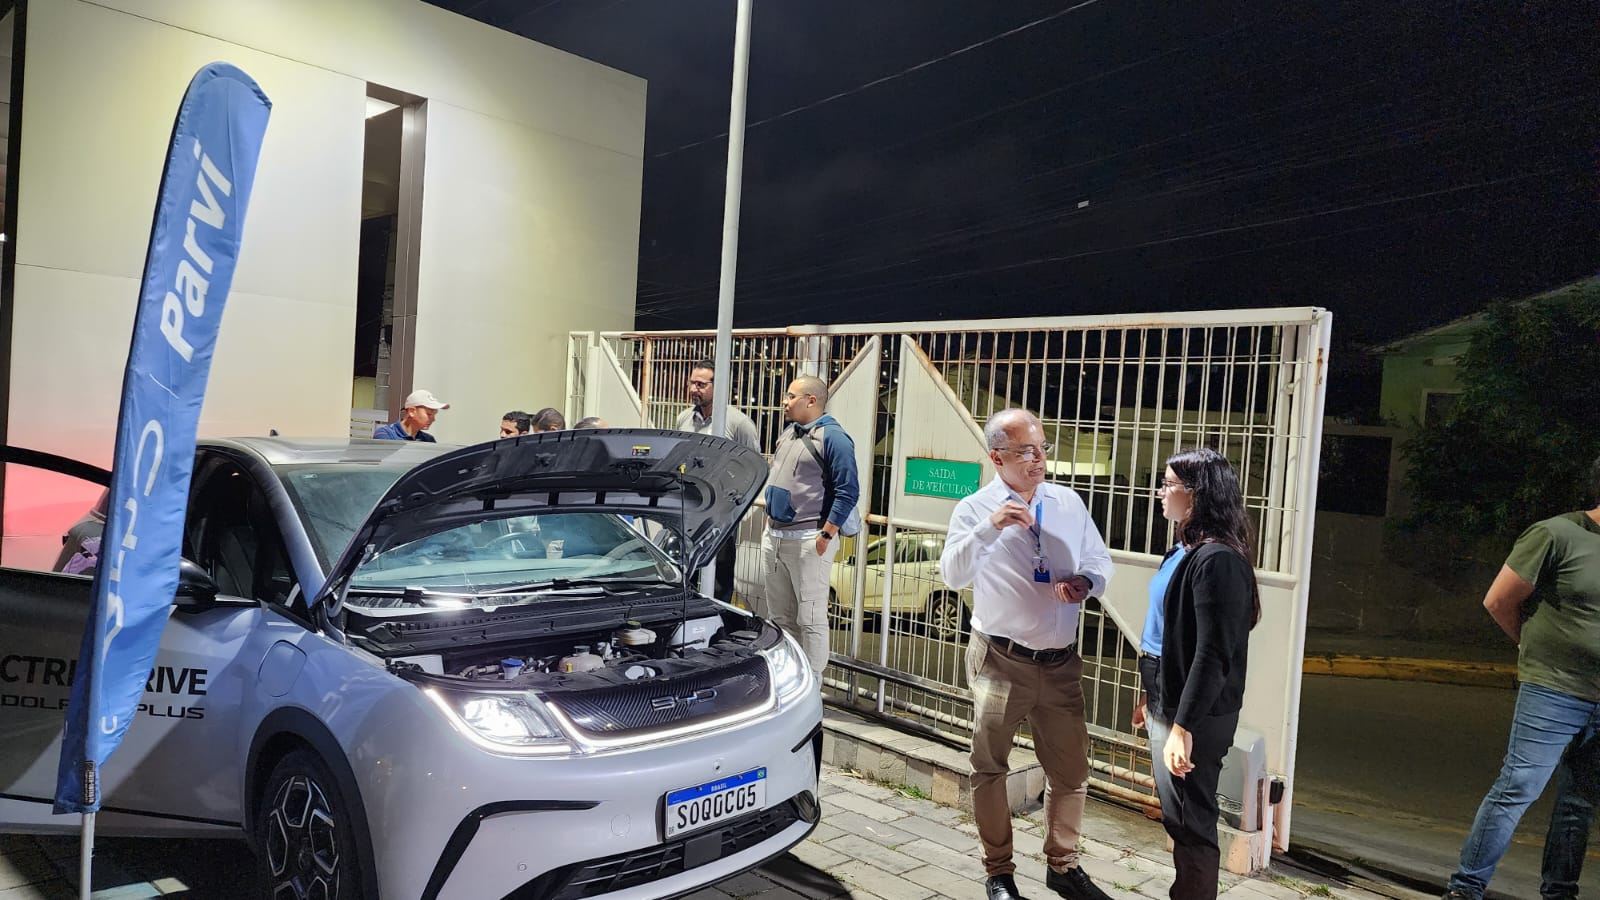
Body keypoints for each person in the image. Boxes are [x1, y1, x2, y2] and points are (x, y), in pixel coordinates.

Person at [940, 408, 1115, 900]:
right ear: (997, 457)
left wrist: (1087, 582)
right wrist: (990, 528)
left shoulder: (1067, 502)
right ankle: (999, 872)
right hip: (1001, 660)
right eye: (1025, 452)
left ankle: (1064, 866)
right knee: (990, 766)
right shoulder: (975, 509)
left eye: (1042, 449)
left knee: (1072, 770)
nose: (1038, 459)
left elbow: (1100, 559)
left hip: (1060, 663)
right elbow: (952, 574)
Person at [1442, 454, 1600, 900]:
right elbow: (1498, 600)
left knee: (1579, 804)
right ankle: (1466, 888)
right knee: (1518, 787)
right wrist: (1532, 649)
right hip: (1553, 688)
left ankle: (1560, 892)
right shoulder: (1556, 534)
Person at [1133, 449, 1257, 900]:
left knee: (1191, 820)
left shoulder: (1218, 560)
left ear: (1197, 494)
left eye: (1169, 484)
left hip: (1194, 713)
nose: (1160, 492)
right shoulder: (1184, 550)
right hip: (1168, 695)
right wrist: (1150, 696)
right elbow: (1164, 634)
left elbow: (1212, 654)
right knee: (1179, 816)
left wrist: (1183, 727)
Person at [760, 374, 859, 672]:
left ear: (811, 400)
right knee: (780, 616)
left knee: (811, 618)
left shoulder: (834, 438)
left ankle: (812, 683)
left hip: (809, 539)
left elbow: (848, 490)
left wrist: (826, 535)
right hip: (775, 536)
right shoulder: (789, 433)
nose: (785, 402)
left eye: (791, 396)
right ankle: (789, 678)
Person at [676, 359, 762, 603]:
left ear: (718, 386)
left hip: (720, 514)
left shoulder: (738, 423)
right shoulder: (684, 418)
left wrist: (735, 507)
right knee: (683, 573)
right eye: (692, 383)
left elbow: (753, 467)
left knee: (718, 580)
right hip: (686, 510)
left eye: (701, 384)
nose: (694, 389)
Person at [373, 390, 448, 442]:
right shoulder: (385, 434)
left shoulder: (428, 440)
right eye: (429, 414)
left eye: (434, 414)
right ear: (412, 411)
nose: (433, 419)